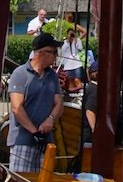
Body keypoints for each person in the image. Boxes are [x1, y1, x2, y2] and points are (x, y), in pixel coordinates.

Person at [6, 34, 63, 174]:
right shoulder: (20, 74)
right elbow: (16, 107)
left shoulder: (52, 76)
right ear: (41, 53)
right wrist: (35, 132)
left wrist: (50, 119)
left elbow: (59, 103)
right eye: (54, 52)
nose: (56, 56)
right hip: (23, 142)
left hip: (45, 143)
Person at [58, 28, 85, 93]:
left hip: (76, 64)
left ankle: (79, 93)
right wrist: (68, 41)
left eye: (72, 34)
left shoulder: (77, 40)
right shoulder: (64, 42)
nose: (71, 36)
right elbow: (63, 51)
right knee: (70, 82)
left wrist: (76, 41)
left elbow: (80, 48)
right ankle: (72, 95)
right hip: (68, 65)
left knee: (77, 80)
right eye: (70, 34)